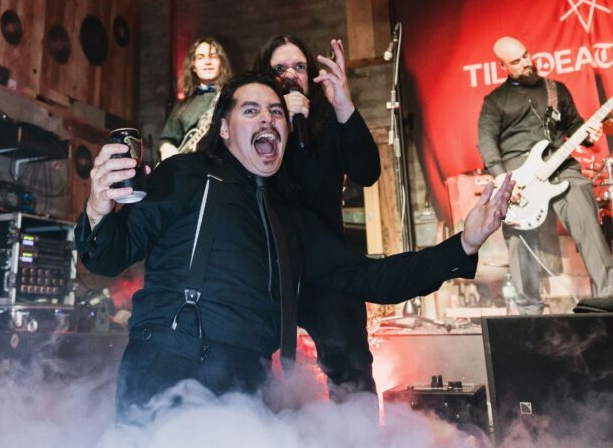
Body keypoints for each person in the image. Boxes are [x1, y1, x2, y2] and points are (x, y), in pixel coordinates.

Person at [76, 72, 512, 420]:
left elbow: (370, 277)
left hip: (249, 385)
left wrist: (464, 244)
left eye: (276, 112)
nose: (268, 119)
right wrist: (98, 206)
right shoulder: (186, 175)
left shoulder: (288, 215)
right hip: (170, 372)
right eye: (251, 110)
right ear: (224, 128)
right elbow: (108, 255)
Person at [253, 34, 380, 400]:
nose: (291, 75)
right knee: (253, 371)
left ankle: (355, 434)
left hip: (327, 266)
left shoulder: (328, 123)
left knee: (350, 370)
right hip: (269, 268)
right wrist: (280, 121)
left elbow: (368, 172)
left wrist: (344, 106)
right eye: (279, 68)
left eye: (299, 66)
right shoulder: (253, 131)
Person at [477, 36, 613, 314]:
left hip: (560, 165)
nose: (526, 63)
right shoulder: (495, 101)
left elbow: (576, 128)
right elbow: (486, 142)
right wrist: (503, 179)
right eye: (516, 61)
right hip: (518, 175)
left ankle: (609, 294)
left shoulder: (555, 89)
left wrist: (590, 135)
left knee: (584, 209)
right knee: (518, 236)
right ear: (503, 66)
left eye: (526, 55)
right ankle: (529, 311)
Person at [158, 37, 232, 160]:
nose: (207, 62)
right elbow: (167, 138)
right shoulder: (183, 105)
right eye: (201, 57)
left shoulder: (231, 96)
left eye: (213, 56)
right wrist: (166, 148)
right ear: (193, 66)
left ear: (221, 63)